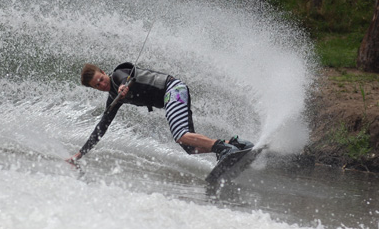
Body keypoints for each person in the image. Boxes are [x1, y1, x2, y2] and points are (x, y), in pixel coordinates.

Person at [66, 62, 250, 166]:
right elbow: (101, 128)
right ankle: (234, 144)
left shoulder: (117, 74)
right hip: (172, 97)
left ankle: (224, 149)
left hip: (173, 89)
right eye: (97, 85)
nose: (101, 84)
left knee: (180, 136)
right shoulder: (114, 98)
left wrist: (124, 85)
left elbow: (126, 78)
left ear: (104, 73)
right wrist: (80, 153)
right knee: (190, 148)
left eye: (101, 79)